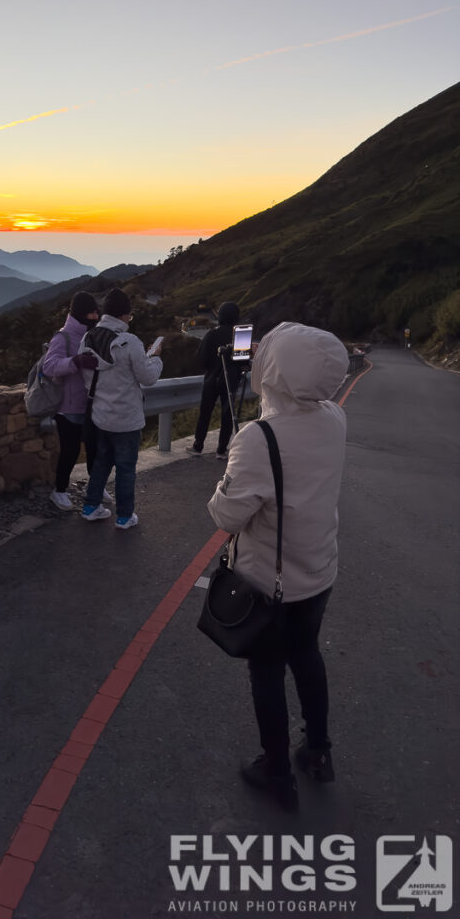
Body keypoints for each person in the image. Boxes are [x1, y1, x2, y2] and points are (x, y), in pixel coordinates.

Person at [207, 322, 349, 811]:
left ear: (276, 370)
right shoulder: (334, 418)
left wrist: (227, 478)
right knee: (306, 655)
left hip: (270, 581)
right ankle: (318, 752)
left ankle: (275, 770)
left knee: (266, 670)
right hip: (319, 570)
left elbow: (227, 515)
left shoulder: (258, 438)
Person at [78, 288, 163, 529]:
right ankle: (124, 517)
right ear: (125, 315)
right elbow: (148, 378)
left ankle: (90, 506)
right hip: (126, 418)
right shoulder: (129, 342)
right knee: (126, 467)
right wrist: (155, 357)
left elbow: (86, 377)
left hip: (100, 415)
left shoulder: (88, 338)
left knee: (102, 462)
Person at [42, 291, 106, 511]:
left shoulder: (93, 334)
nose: (95, 315)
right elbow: (49, 367)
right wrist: (76, 362)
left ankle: (96, 487)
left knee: (94, 449)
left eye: (96, 311)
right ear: (81, 312)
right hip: (67, 408)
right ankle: (59, 491)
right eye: (91, 312)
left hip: (90, 404)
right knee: (69, 452)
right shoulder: (63, 336)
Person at [188, 301, 242, 460]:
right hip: (231, 379)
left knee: (205, 412)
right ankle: (221, 449)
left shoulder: (212, 334)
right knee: (228, 414)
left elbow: (202, 359)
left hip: (212, 379)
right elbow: (243, 360)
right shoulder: (239, 335)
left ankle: (198, 446)